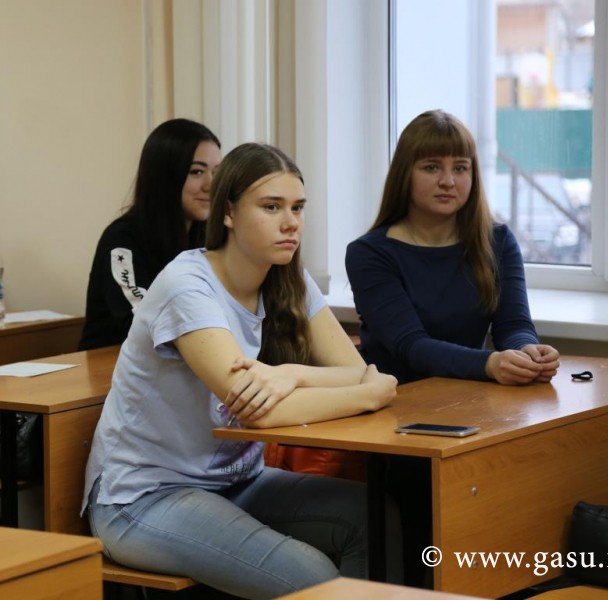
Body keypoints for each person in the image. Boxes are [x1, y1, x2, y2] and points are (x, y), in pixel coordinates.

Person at [81, 142, 398, 599]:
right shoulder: (187, 286)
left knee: (375, 517)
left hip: (237, 481)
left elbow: (356, 369)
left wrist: (292, 374)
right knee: (313, 575)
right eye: (271, 207)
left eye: (297, 207)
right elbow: (262, 412)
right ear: (228, 213)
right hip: (142, 497)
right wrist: (372, 393)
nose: (291, 222)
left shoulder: (287, 276)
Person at [345, 109, 560, 586]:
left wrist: (528, 352)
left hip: (474, 409)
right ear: (405, 173)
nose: (449, 181)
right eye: (432, 167)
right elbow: (411, 346)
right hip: (398, 421)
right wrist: (492, 364)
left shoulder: (496, 240)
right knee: (432, 536)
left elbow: (514, 325)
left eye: (460, 167)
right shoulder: (370, 253)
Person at [78, 118, 221, 350]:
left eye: (217, 172)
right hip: (113, 365)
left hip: (185, 361)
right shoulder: (122, 239)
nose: (210, 185)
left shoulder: (209, 237)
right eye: (196, 172)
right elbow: (142, 320)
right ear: (165, 176)